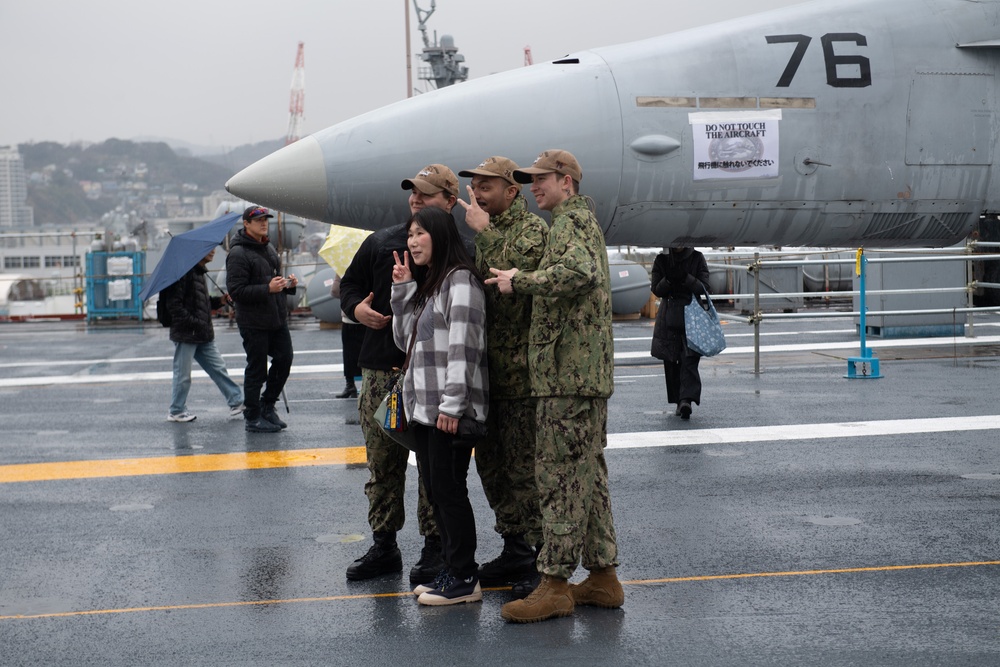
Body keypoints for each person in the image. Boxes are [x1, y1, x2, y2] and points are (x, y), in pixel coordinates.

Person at [486, 149, 623, 623]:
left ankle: (556, 583)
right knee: (590, 476)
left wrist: (520, 280)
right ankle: (603, 577)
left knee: (559, 476)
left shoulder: (568, 223)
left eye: (541, 179)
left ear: (566, 182)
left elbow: (578, 273)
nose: (534, 186)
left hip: (568, 376)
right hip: (578, 375)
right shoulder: (578, 221)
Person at [339, 164, 458, 584]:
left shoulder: (459, 251)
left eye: (426, 193)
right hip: (380, 373)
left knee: (432, 466)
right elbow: (348, 287)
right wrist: (357, 309)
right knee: (382, 464)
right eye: (413, 192)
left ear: (449, 199)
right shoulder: (381, 242)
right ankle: (384, 544)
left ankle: (434, 546)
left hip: (430, 375)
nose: (415, 199)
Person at [455, 156, 548, 593]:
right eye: (475, 184)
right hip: (487, 372)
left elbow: (505, 281)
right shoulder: (485, 230)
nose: (477, 191)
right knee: (491, 466)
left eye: (486, 185)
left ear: (513, 191)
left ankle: (537, 558)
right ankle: (513, 546)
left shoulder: (533, 232)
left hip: (521, 375)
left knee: (523, 469)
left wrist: (484, 233)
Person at [390, 206, 488, 605]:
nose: (412, 241)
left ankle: (464, 578)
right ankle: (452, 569)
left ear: (440, 236)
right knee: (436, 490)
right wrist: (402, 290)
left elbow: (465, 348)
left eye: (420, 233)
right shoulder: (432, 284)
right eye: (410, 234)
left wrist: (452, 406)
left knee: (449, 492)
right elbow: (404, 343)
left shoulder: (460, 281)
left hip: (449, 412)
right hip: (426, 412)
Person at [226, 206, 298, 434]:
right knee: (257, 369)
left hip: (276, 317)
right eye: (258, 220)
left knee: (284, 360)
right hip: (253, 321)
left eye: (265, 219)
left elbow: (272, 282)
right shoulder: (238, 254)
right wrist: (267, 288)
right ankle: (253, 415)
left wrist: (287, 285)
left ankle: (268, 405)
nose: (264, 223)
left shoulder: (267, 246)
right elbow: (236, 291)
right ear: (246, 223)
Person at [162, 248, 244, 423]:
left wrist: (219, 301)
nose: (213, 252)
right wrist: (196, 322)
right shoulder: (183, 274)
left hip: (202, 333)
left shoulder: (199, 273)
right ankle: (176, 410)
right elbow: (174, 306)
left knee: (218, 368)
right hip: (187, 333)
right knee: (183, 375)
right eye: (209, 249)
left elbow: (201, 303)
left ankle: (237, 401)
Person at [650, 247, 711, 419]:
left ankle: (686, 400)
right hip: (669, 315)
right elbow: (656, 289)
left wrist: (686, 278)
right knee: (671, 359)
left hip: (691, 316)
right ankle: (680, 400)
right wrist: (668, 279)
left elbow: (704, 287)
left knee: (690, 359)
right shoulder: (662, 260)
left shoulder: (697, 258)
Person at [330, 271, 363, 399]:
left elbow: (334, 291)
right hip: (367, 315)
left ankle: (350, 385)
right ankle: (367, 384)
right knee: (366, 352)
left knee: (349, 353)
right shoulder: (369, 263)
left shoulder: (342, 267)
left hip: (348, 316)